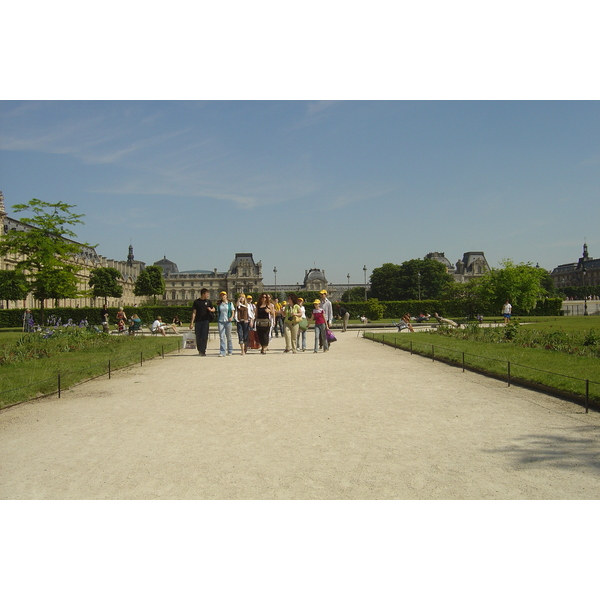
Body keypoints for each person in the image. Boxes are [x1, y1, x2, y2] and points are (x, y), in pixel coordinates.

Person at [189, 288, 215, 356]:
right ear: (203, 294)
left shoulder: (208, 302)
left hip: (205, 321)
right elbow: (194, 313)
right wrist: (191, 323)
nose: (208, 295)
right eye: (207, 294)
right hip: (198, 321)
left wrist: (211, 310)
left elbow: (213, 309)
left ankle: (203, 351)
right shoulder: (196, 302)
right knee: (198, 336)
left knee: (204, 336)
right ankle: (199, 349)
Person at [216, 291, 235, 356]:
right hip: (221, 321)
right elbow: (218, 312)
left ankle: (230, 350)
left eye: (224, 295)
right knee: (221, 337)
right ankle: (222, 352)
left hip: (228, 321)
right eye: (221, 295)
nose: (223, 296)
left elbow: (233, 312)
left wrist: (231, 317)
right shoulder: (219, 304)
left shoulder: (230, 303)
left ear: (226, 296)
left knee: (229, 336)